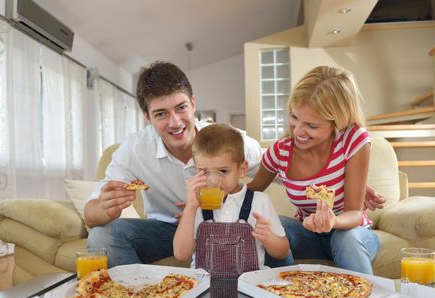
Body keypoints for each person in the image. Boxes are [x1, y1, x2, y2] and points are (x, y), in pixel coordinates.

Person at [84, 61, 267, 267]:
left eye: (181, 108)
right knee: (102, 237)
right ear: (147, 117)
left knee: (278, 228)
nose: (175, 122)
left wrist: (237, 198)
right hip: (166, 231)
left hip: (229, 224)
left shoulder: (227, 140)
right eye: (161, 114)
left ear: (193, 103)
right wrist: (105, 207)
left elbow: (276, 167)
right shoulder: (135, 149)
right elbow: (90, 216)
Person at [247, 65, 380, 274]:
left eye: (311, 125)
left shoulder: (354, 140)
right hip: (308, 234)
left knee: (347, 238)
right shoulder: (280, 152)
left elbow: (354, 213)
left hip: (351, 232)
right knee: (275, 225)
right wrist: (209, 200)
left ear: (336, 123)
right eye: (294, 117)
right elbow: (250, 192)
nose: (298, 131)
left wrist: (333, 222)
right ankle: (286, 292)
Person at [173, 123, 290, 275]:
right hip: (205, 286)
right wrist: (190, 208)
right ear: (196, 170)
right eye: (205, 171)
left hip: (248, 287)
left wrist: (269, 238)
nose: (214, 180)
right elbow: (181, 255)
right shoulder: (196, 205)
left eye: (223, 171)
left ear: (242, 170)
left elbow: (282, 252)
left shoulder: (260, 201)